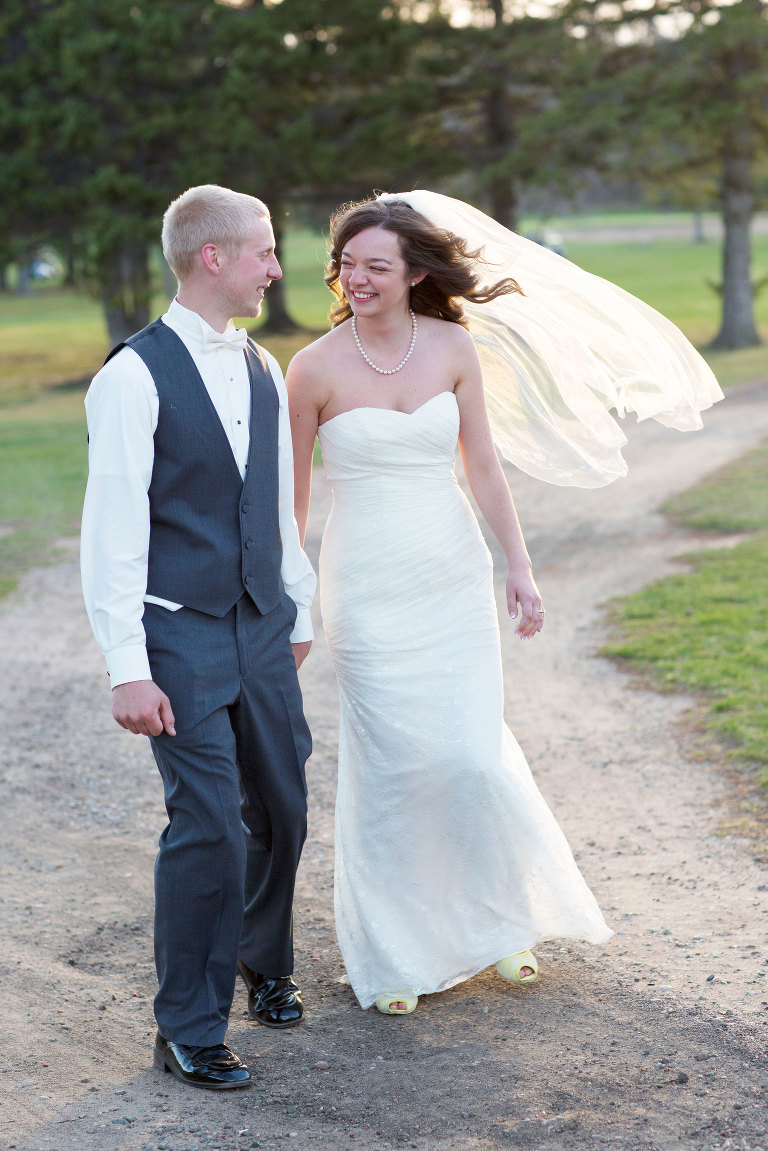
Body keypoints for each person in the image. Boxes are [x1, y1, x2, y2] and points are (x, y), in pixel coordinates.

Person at [286, 191, 722, 1016]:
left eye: (377, 264)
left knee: (469, 756)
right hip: (368, 589)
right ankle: (396, 952)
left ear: (415, 273)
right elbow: (293, 507)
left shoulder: (452, 345)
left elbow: (483, 466)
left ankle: (498, 923)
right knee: (393, 770)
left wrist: (519, 567)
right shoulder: (311, 368)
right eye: (349, 263)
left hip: (452, 576)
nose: (359, 276)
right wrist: (294, 600)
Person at [81, 184, 316, 1087]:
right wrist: (126, 669)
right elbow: (113, 535)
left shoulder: (264, 364)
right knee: (211, 821)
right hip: (176, 633)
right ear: (213, 258)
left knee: (283, 808)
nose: (276, 267)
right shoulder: (132, 376)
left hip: (263, 626)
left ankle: (263, 954)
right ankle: (187, 1022)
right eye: (263, 250)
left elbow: (275, 509)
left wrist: (296, 603)